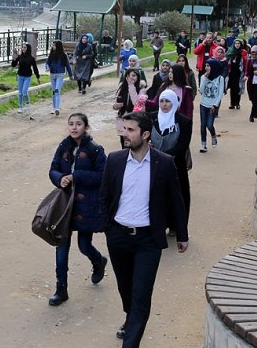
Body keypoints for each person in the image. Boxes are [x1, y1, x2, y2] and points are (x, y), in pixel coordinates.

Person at [99, 111, 188, 347]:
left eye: (130, 130)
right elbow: (104, 196)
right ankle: (130, 318)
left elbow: (176, 200)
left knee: (141, 295)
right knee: (125, 288)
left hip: (148, 240)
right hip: (118, 236)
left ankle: (131, 341)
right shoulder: (115, 160)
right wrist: (106, 226)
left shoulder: (165, 163)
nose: (124, 134)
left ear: (146, 134)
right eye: (124, 129)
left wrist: (182, 234)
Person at [47, 113, 109, 306]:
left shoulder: (95, 149)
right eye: (71, 124)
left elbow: (102, 176)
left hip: (86, 206)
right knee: (61, 248)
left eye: (78, 124)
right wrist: (60, 178)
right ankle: (61, 289)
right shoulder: (63, 146)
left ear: (86, 127)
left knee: (84, 246)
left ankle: (98, 261)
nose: (74, 127)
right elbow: (53, 169)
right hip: (65, 206)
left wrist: (76, 176)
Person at [148, 89, 192, 236]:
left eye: (167, 101)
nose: (164, 105)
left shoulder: (184, 121)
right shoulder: (152, 118)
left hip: (175, 166)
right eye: (162, 101)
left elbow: (183, 145)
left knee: (177, 196)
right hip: (154, 165)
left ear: (174, 103)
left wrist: (164, 156)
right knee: (156, 196)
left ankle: (175, 225)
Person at [198, 58, 225, 153]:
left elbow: (220, 93)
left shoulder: (220, 78)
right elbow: (201, 91)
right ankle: (203, 144)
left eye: (208, 66)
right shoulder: (203, 77)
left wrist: (215, 105)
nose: (206, 68)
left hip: (212, 105)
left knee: (209, 125)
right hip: (203, 104)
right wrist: (205, 78)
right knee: (203, 125)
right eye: (205, 66)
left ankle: (213, 135)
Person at [114, 68, 144, 148]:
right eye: (129, 76)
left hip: (133, 119)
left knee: (132, 141)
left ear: (138, 77)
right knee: (123, 141)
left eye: (133, 76)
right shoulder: (122, 87)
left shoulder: (141, 90)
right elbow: (115, 102)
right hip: (121, 118)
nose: (131, 78)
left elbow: (136, 103)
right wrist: (115, 106)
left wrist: (131, 86)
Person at [45, 40, 73, 116]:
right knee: (54, 91)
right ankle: (54, 108)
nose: (52, 47)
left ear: (58, 46)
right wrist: (47, 67)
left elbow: (67, 65)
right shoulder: (51, 54)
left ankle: (57, 108)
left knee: (57, 90)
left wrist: (70, 75)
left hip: (60, 74)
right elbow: (47, 62)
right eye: (52, 45)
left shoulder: (64, 55)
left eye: (54, 45)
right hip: (52, 74)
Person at [12, 42, 40, 114]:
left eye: (25, 47)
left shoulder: (31, 58)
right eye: (22, 47)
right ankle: (20, 107)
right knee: (20, 93)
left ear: (28, 49)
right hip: (20, 75)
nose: (23, 49)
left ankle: (27, 103)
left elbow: (35, 68)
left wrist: (38, 77)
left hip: (27, 76)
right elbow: (13, 65)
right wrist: (14, 59)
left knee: (24, 92)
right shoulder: (20, 56)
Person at [226, 39, 247, 109]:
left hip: (240, 72)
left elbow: (245, 63)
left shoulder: (243, 52)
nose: (237, 45)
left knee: (238, 88)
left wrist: (245, 73)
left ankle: (237, 103)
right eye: (236, 43)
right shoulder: (231, 51)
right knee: (232, 88)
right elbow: (226, 59)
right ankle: (232, 103)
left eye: (238, 43)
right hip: (232, 72)